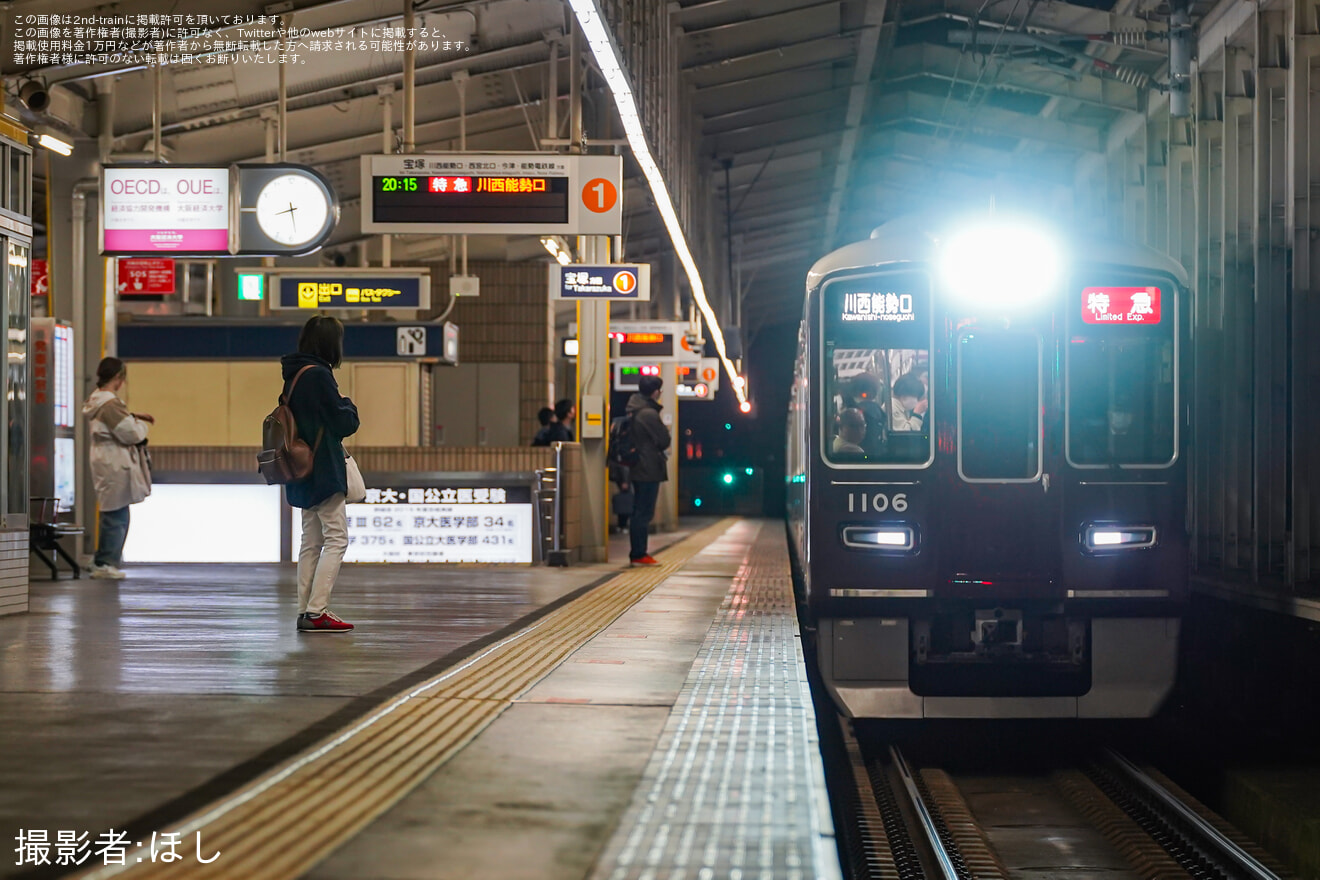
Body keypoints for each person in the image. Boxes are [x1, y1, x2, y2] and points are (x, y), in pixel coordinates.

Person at [283, 316, 361, 633]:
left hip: (301, 468)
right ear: (330, 343)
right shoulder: (319, 375)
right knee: (337, 538)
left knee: (311, 541)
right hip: (323, 467)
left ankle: (306, 610)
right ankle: (317, 611)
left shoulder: (295, 374)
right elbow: (344, 423)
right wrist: (348, 404)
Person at [82, 357, 153, 579]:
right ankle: (105, 562)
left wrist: (133, 416)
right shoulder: (109, 404)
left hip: (105, 459)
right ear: (118, 378)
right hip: (113, 462)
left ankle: (104, 558)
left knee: (113, 510)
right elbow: (130, 433)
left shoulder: (97, 400)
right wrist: (140, 425)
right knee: (116, 514)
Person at [625, 375, 670, 565]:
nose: (660, 393)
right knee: (643, 512)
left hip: (640, 466)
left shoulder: (635, 410)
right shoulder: (648, 414)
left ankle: (638, 552)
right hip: (648, 467)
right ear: (654, 392)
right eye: (659, 390)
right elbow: (664, 440)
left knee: (640, 511)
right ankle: (638, 554)